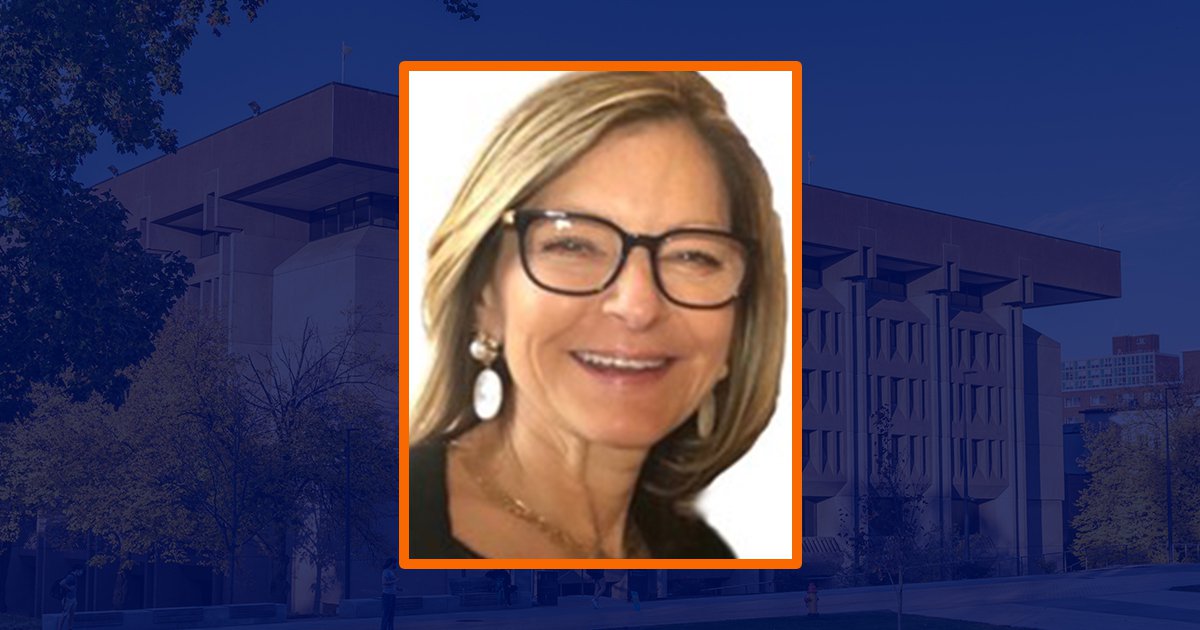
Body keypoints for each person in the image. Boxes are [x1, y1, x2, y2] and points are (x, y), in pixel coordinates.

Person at [409, 71, 788, 559]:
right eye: (571, 243)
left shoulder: (706, 560)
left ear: (741, 323)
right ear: (485, 296)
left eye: (694, 256)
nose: (637, 306)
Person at [380, 558, 398, 630]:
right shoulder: (385, 572)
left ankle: (391, 628)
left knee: (391, 614)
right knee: (386, 614)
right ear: (391, 563)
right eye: (394, 563)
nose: (395, 565)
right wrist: (395, 580)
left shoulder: (391, 572)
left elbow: (391, 583)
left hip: (392, 595)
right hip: (387, 595)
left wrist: (397, 588)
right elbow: (384, 582)